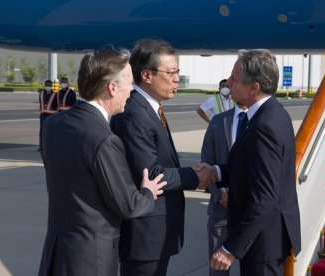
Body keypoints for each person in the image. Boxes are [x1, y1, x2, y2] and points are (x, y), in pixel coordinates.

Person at [38, 48, 167, 276]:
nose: (131, 90)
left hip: (57, 253)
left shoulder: (52, 125)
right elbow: (128, 205)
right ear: (112, 87)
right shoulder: (104, 139)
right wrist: (147, 193)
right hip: (90, 260)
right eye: (129, 83)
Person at [110, 38, 213, 276]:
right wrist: (196, 176)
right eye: (171, 72)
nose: (177, 78)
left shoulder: (150, 108)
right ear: (147, 75)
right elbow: (150, 173)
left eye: (178, 72)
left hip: (155, 232)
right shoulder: (134, 113)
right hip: (144, 234)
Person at [205, 49, 301, 275]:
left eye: (234, 79)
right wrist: (216, 171)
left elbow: (265, 198)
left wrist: (230, 248)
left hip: (263, 243)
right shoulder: (270, 113)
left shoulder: (264, 125)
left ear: (253, 88)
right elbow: (250, 169)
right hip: (264, 239)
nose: (228, 83)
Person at [201, 102, 247, 276]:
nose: (229, 85)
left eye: (234, 81)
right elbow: (207, 161)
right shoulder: (218, 121)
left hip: (251, 211)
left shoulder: (261, 121)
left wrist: (239, 196)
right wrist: (221, 194)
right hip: (221, 208)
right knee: (217, 268)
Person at [38, 79, 58, 151]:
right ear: (45, 86)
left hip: (52, 115)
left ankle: (51, 145)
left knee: (51, 132)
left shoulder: (55, 94)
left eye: (49, 85)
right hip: (43, 115)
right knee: (42, 132)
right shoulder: (41, 93)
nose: (48, 87)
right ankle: (41, 146)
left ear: (52, 86)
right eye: (47, 85)